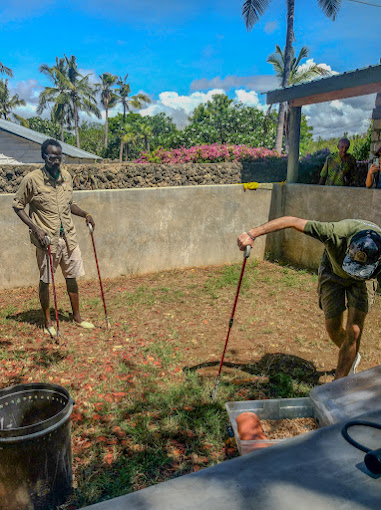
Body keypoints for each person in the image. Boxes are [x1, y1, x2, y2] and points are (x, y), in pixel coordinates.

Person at [238, 217, 381, 379]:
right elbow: (291, 221)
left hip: (363, 282)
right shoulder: (333, 233)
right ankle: (350, 355)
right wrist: (252, 234)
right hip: (333, 272)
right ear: (348, 246)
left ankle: (339, 383)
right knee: (333, 328)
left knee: (354, 330)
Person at [13, 138, 95, 338]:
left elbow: (70, 205)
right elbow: (17, 205)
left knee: (72, 277)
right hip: (47, 239)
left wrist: (86, 214)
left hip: (69, 238)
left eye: (60, 157)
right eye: (52, 157)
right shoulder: (32, 179)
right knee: (46, 280)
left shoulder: (66, 177)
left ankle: (77, 317)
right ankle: (48, 322)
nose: (57, 161)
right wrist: (36, 229)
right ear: (44, 157)